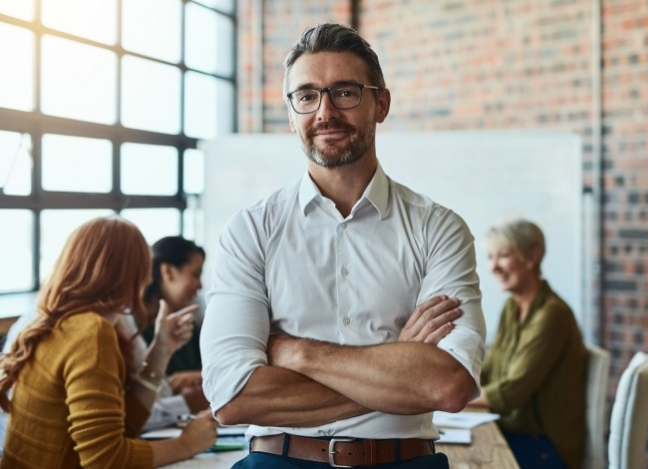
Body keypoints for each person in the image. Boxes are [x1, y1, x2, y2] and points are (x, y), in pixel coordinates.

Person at [201, 23, 486, 469]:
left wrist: (297, 352)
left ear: (381, 103)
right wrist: (398, 367)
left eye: (346, 93)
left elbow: (447, 385)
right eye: (307, 96)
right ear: (292, 112)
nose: (325, 112)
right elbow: (232, 397)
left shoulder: (438, 228)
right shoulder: (250, 230)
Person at [0, 217, 217, 468]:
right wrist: (186, 445)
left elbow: (123, 427)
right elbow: (105, 459)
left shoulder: (68, 321)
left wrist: (161, 349)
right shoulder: (91, 331)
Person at [468, 219, 587, 469]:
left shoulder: (553, 314)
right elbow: (488, 371)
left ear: (531, 256)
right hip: (515, 433)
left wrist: (447, 398)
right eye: (490, 257)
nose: (493, 267)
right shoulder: (512, 307)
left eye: (503, 255)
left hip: (545, 448)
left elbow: (510, 393)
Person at [141, 236, 208, 413]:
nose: (200, 285)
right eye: (195, 273)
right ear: (168, 272)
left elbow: (208, 364)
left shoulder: (188, 321)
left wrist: (198, 377)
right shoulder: (135, 326)